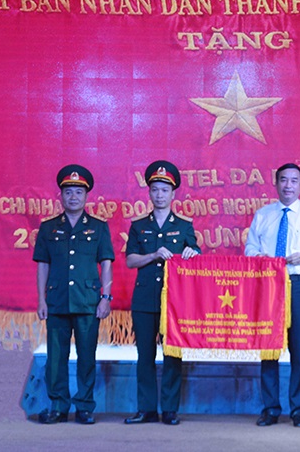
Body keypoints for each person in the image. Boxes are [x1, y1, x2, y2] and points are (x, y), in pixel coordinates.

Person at [245, 162, 300, 428]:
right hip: (269, 285)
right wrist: (259, 258)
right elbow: (250, 247)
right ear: (276, 183)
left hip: (298, 283)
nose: (288, 186)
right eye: (283, 180)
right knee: (269, 347)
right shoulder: (263, 214)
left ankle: (299, 409)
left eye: (294, 181)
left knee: (298, 347)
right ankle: (270, 408)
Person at [33, 164, 115, 425]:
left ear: (87, 196)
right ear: (60, 195)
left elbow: (106, 263)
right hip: (56, 302)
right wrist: (41, 299)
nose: (73, 197)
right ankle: (58, 406)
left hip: (88, 301)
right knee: (56, 359)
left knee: (86, 357)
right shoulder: (48, 228)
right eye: (68, 192)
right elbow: (42, 265)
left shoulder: (99, 228)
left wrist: (106, 297)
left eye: (78, 192)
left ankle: (84, 407)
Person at [124, 160, 200, 426]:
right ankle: (146, 409)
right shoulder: (138, 226)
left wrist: (192, 253)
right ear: (149, 192)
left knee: (172, 354)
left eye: (164, 190)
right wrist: (154, 254)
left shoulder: (184, 225)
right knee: (144, 355)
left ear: (173, 194)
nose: (159, 195)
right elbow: (130, 261)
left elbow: (196, 253)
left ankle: (169, 409)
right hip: (145, 298)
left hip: (174, 301)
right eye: (155, 189)